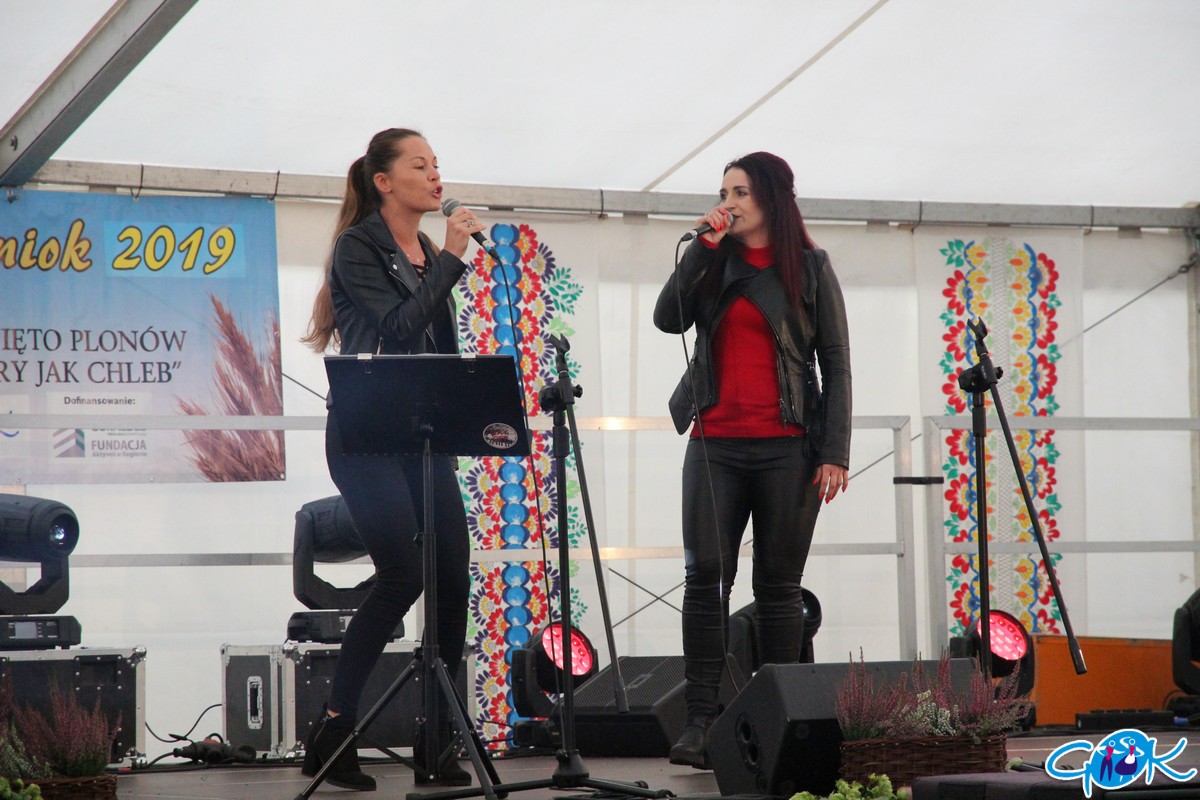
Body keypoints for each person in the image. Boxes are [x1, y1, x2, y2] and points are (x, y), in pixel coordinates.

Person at [652, 151, 852, 769]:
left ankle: (778, 720)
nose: (728, 203)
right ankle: (700, 721)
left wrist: (835, 451)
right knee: (705, 578)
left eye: (739, 192)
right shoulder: (712, 260)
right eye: (723, 193)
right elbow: (667, 319)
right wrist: (702, 248)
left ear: (771, 199)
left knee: (777, 586)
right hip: (713, 443)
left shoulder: (811, 268)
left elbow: (836, 364)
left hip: (787, 447)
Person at [301, 128, 482, 791]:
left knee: (453, 578)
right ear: (384, 181)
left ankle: (437, 738)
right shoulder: (359, 248)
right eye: (420, 165)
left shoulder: (427, 251)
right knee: (403, 574)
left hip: (423, 435)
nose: (436, 177)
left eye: (438, 165)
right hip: (366, 436)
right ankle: (334, 725)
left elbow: (438, 350)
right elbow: (398, 329)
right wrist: (452, 261)